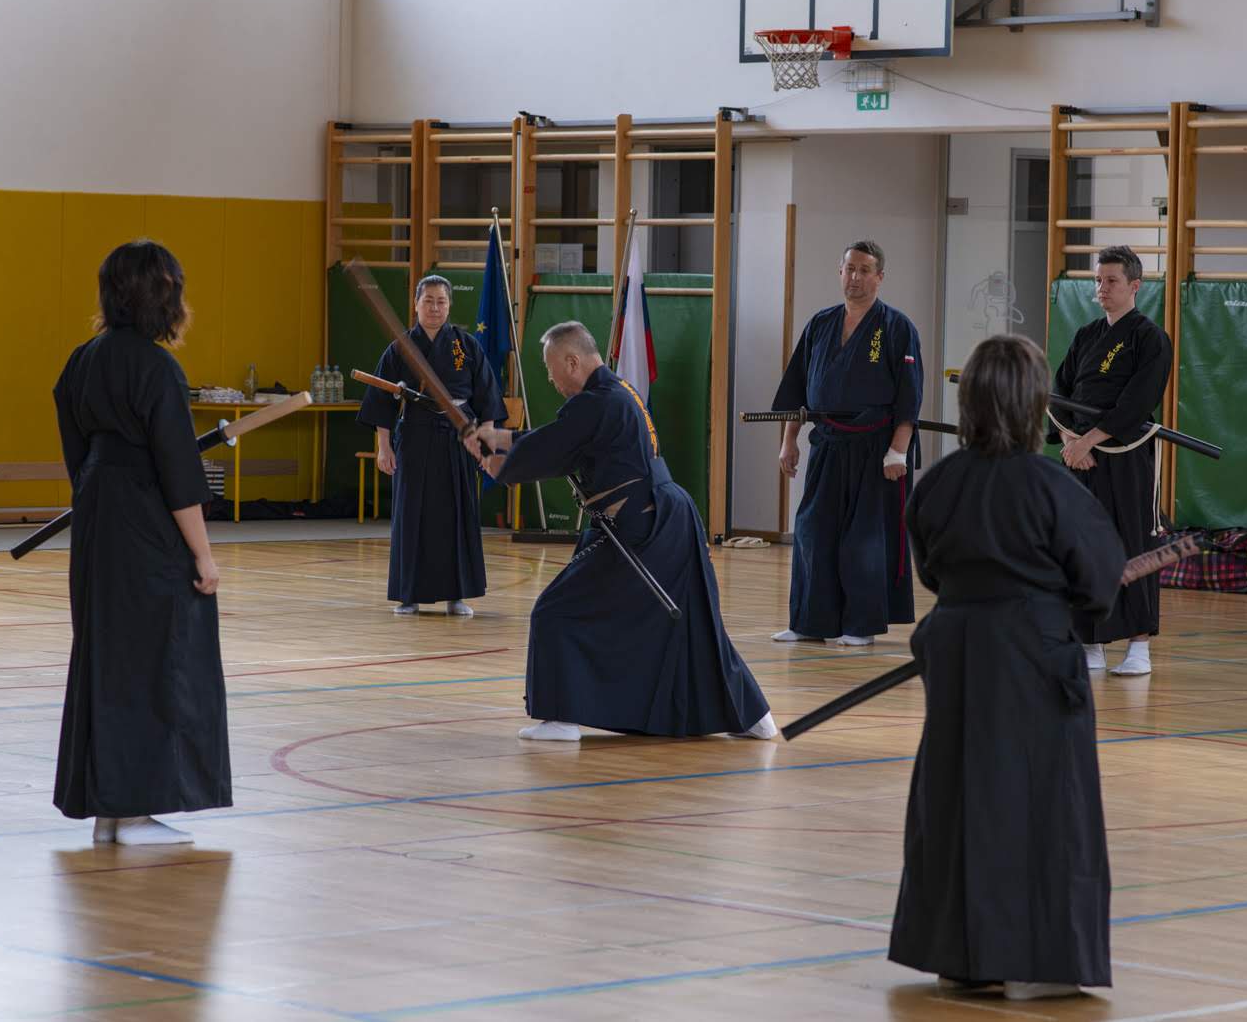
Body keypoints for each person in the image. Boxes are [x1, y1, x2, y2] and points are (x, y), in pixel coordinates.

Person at [890, 334, 1122, 1001]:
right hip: (1032, 658)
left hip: (959, 652)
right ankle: (1040, 957)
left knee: (959, 797)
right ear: (1032, 404)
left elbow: (931, 568)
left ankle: (960, 955)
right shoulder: (1052, 485)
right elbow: (1101, 581)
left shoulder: (936, 483)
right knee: (1043, 802)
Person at [471, 321, 775, 742]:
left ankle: (561, 717)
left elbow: (551, 449)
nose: (551, 380)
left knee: (554, 610)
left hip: (638, 524)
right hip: (670, 518)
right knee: (689, 620)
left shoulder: (596, 402)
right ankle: (752, 716)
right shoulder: (619, 392)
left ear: (572, 361)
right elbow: (561, 443)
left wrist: (499, 452)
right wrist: (499, 442)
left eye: (550, 369)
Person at [52, 240, 228, 845]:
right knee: (156, 658)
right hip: (147, 523)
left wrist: (102, 493)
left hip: (98, 514)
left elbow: (77, 451)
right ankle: (132, 809)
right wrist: (203, 556)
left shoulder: (81, 360)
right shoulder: (158, 370)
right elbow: (180, 475)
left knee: (108, 655)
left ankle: (110, 808)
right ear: (162, 298)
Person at [771, 240, 923, 646]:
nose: (855, 277)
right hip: (827, 444)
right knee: (812, 530)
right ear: (840, 272)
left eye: (864, 270)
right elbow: (796, 391)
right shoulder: (820, 324)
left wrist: (898, 450)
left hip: (875, 448)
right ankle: (809, 621)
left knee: (864, 539)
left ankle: (860, 625)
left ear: (879, 277)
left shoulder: (896, 327)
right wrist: (790, 442)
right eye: (849, 269)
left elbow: (910, 397)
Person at [1051, 245, 1172, 676]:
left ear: (1135, 286)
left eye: (1111, 281)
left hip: (1126, 455)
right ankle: (1090, 640)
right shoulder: (1086, 335)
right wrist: (1069, 439)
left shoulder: (1150, 338)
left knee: (1134, 543)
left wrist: (1091, 440)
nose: (1101, 288)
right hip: (1079, 457)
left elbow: (1139, 400)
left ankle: (1139, 644)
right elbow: (1060, 393)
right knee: (1081, 546)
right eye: (1098, 280)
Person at [357, 274, 505, 616]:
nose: (435, 308)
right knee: (412, 514)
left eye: (441, 301)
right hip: (416, 434)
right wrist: (383, 446)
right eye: (428, 301)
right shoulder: (400, 347)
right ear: (416, 304)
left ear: (449, 305)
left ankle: (458, 594)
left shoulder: (466, 346)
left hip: (459, 436)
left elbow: (487, 398)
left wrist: (485, 442)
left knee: (458, 512)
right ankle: (409, 594)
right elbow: (381, 402)